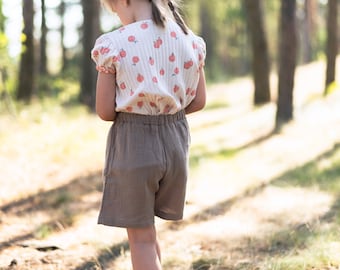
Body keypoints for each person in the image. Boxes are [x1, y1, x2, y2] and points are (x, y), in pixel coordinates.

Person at [91, 0, 206, 269]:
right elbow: (199, 100)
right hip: (176, 143)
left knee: (140, 238)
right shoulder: (190, 40)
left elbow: (105, 111)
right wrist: (166, 113)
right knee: (148, 232)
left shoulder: (114, 44)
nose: (118, 17)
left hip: (135, 144)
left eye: (114, 10)